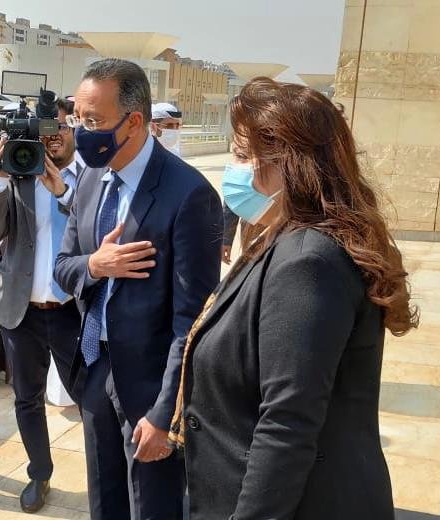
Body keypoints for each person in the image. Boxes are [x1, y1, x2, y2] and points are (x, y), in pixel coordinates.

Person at [170, 78, 417, 520]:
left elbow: (287, 424)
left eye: (242, 155)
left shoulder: (307, 262)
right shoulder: (282, 238)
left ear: (290, 163)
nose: (233, 168)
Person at [54, 58, 223, 520]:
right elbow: (64, 268)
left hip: (150, 388)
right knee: (104, 501)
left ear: (133, 121)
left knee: (152, 507)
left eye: (93, 121)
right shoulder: (89, 178)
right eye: (78, 119)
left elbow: (193, 323)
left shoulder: (188, 194)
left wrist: (166, 413)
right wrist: (97, 264)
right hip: (95, 369)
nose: (81, 132)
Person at [0, 97, 81, 514]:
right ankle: (40, 473)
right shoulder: (18, 173)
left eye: (59, 129)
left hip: (73, 310)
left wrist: (64, 191)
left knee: (92, 399)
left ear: (73, 131)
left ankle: (105, 472)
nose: (51, 138)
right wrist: (1, 178)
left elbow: (96, 231)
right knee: (27, 398)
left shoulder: (89, 178)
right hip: (21, 312)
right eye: (43, 131)